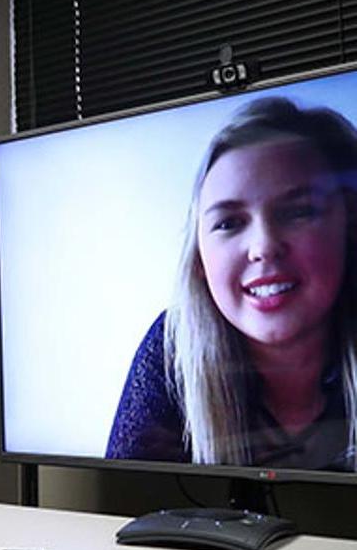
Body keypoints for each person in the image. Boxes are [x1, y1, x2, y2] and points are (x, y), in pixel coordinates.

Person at [106, 96, 357, 470]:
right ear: (200, 261)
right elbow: (119, 508)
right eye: (228, 223)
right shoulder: (171, 348)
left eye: (298, 212)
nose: (264, 247)